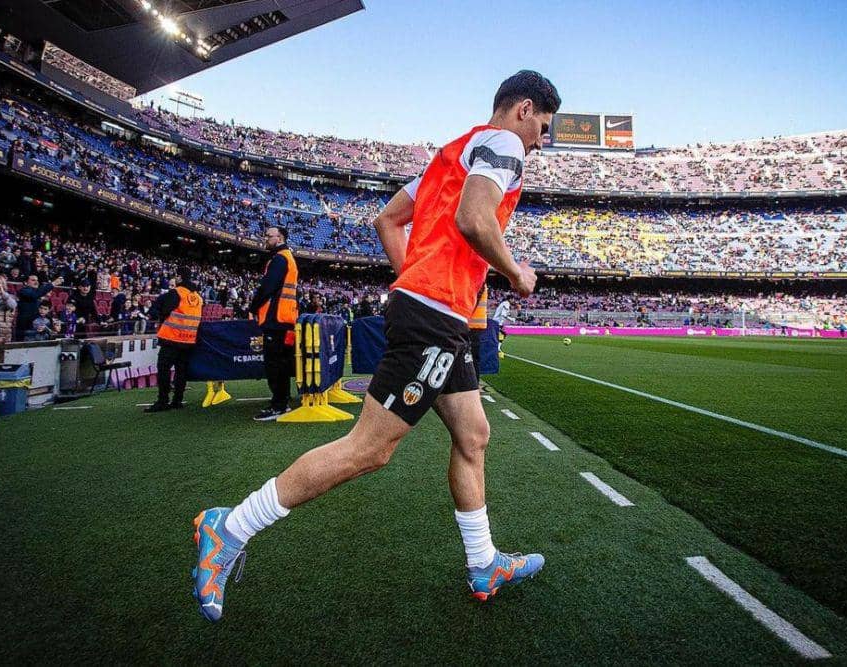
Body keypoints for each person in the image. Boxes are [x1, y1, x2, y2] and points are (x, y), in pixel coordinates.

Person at [190, 70, 559, 621]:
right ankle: (230, 526)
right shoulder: (505, 144)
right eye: (544, 128)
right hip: (435, 316)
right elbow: (475, 219)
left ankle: (484, 561)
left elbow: (388, 220)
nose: (541, 142)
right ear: (524, 109)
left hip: (438, 313)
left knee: (474, 434)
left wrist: (416, 280)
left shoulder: (452, 153)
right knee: (370, 448)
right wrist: (515, 273)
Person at [249, 225, 298, 421]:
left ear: (280, 238)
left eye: (269, 236)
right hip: (284, 319)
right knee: (281, 363)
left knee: (275, 364)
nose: (265, 239)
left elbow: (267, 287)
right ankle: (281, 402)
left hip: (276, 319)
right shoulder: (287, 258)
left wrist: (253, 307)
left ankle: (279, 405)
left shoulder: (280, 259)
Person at [145, 269, 202, 412]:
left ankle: (163, 401)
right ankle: (177, 401)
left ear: (180, 277)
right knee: (181, 371)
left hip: (171, 339)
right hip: (188, 341)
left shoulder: (176, 293)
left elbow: (163, 311)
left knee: (163, 369)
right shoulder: (198, 298)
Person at [16, 274, 63, 340]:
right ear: (25, 283)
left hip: (34, 329)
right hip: (24, 328)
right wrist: (52, 284)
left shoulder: (36, 295)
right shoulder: (24, 291)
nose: (36, 282)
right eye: (33, 280)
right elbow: (35, 294)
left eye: (37, 280)